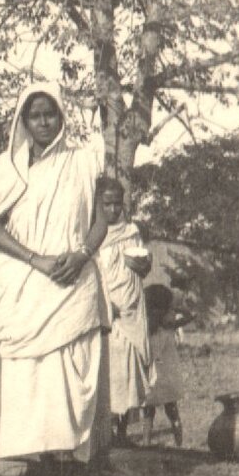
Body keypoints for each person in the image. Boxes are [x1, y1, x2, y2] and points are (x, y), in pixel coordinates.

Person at [0, 82, 110, 476]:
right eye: (34, 115)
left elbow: (102, 217)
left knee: (75, 383)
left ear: (61, 117)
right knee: (38, 388)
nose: (42, 122)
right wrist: (35, 260)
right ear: (23, 120)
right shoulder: (9, 168)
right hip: (31, 287)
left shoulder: (83, 162)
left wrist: (82, 254)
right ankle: (48, 474)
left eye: (49, 114)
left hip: (75, 284)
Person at [96, 178, 156, 445]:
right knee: (112, 368)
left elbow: (143, 269)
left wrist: (143, 265)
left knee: (131, 368)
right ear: (98, 203)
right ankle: (106, 432)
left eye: (117, 204)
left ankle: (122, 432)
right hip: (110, 308)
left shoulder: (131, 231)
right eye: (106, 204)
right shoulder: (92, 234)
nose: (112, 210)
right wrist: (102, 303)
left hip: (132, 304)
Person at [142, 283, 185, 448]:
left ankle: (146, 442)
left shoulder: (148, 332)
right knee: (172, 411)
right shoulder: (168, 329)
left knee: (148, 412)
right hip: (167, 378)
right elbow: (188, 316)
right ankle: (178, 442)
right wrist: (177, 310)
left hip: (154, 378)